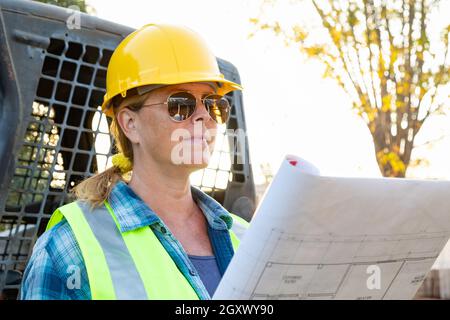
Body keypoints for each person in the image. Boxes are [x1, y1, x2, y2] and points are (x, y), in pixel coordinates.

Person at [20, 23, 250, 300]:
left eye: (213, 104)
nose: (204, 116)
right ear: (130, 124)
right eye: (180, 105)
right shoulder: (69, 248)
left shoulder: (248, 238)